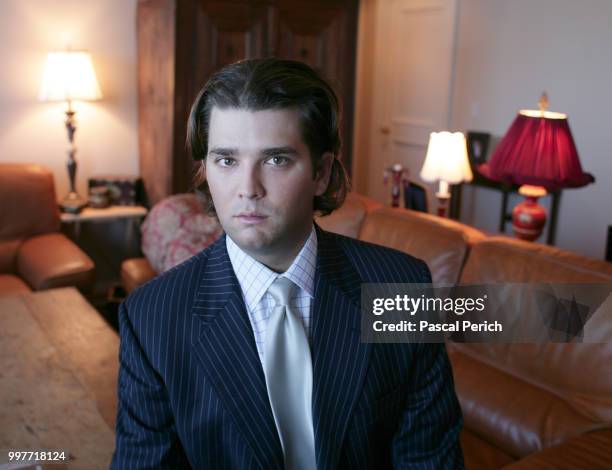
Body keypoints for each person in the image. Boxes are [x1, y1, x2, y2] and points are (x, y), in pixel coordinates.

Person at [111, 58, 464, 469]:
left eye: (276, 159)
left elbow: (430, 459)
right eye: (227, 160)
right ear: (204, 169)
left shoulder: (403, 286)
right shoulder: (151, 317)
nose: (248, 189)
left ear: (321, 172)